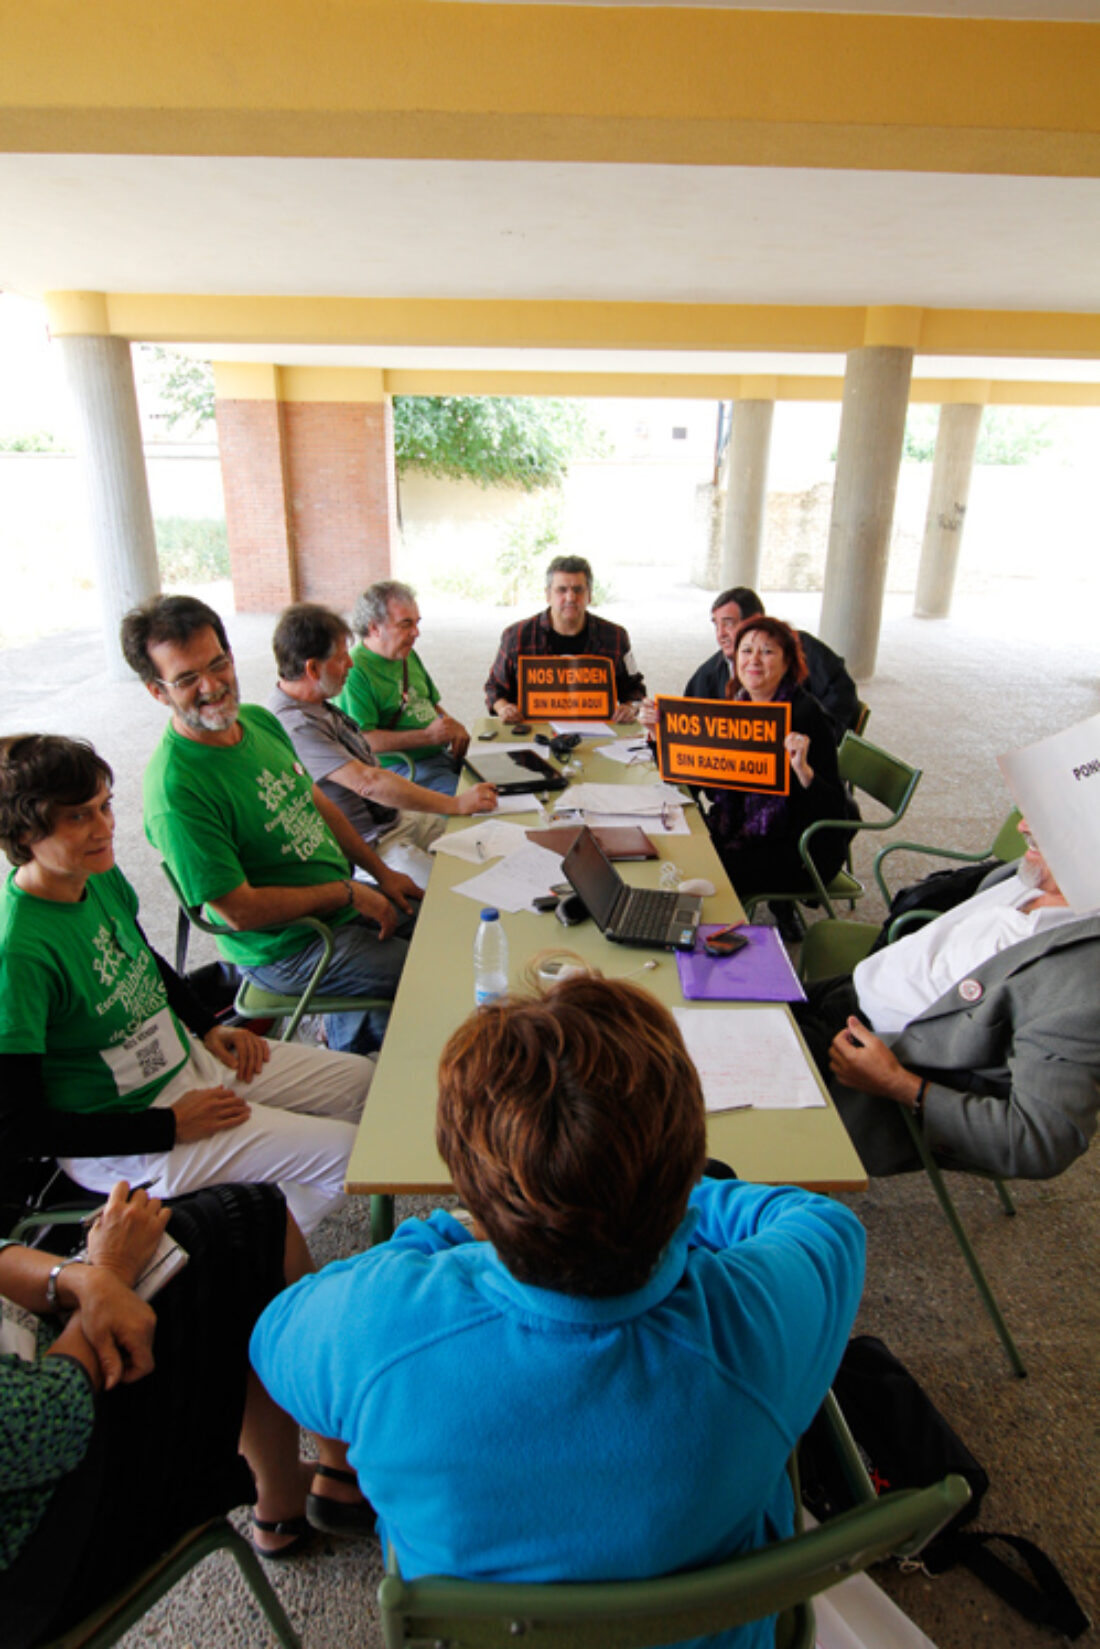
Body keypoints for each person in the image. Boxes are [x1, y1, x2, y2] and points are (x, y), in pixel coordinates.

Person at [251, 976, 864, 1647]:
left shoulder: (379, 1328)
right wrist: (691, 1189)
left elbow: (273, 1336)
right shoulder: (757, 1320)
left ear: (479, 1192)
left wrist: (443, 1231)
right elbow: (822, 1220)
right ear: (683, 1164)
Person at [0, 734, 373, 1236]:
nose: (105, 827)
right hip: (131, 1135)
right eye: (78, 817)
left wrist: (206, 1027)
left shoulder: (94, 874)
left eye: (104, 806)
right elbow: (20, 1127)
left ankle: (256, 1208)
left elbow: (144, 959)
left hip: (186, 1062)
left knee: (366, 1086)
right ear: (24, 835)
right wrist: (171, 1126)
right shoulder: (18, 951)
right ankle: (256, 1255)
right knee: (347, 1155)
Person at [0, 1179, 373, 1647]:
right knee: (247, 1221)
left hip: (43, 1358)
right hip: (51, 1525)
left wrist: (77, 1280)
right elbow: (50, 1424)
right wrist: (110, 1271)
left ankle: (287, 1497)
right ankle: (331, 1483)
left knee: (209, 1224)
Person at [120, 594, 421, 1057]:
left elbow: (317, 803)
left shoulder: (258, 721)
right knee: (434, 970)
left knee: (445, 918)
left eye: (218, 664)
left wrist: (381, 876)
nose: (212, 686)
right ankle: (353, 1047)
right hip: (290, 947)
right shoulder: (176, 790)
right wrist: (351, 892)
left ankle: (352, 1026)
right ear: (156, 691)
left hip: (339, 905)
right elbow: (241, 911)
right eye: (186, 679)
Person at [794, 818, 1100, 1180]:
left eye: (1054, 815)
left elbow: (1039, 1142)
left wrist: (899, 1085)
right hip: (852, 989)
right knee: (717, 1001)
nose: (1021, 825)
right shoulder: (1029, 876)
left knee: (717, 1076)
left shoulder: (1084, 981)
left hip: (869, 1054)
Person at [268, 603, 498, 889]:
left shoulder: (315, 703)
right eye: (341, 658)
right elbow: (369, 782)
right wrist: (455, 803)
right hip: (374, 846)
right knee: (454, 891)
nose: (350, 664)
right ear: (312, 668)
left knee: (486, 849)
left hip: (395, 821)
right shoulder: (296, 724)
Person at [680, 616, 851, 906]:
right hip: (743, 832)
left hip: (799, 849)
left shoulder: (806, 716)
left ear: (788, 663)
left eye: (767, 651)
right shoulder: (739, 708)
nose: (754, 660)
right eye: (746, 651)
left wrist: (804, 773)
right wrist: (661, 738)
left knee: (700, 871)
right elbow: (708, 784)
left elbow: (835, 809)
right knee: (680, 848)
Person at [335, 581, 470, 796]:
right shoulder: (355, 671)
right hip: (404, 767)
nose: (416, 633)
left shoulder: (405, 654)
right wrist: (427, 737)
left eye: (417, 623)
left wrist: (454, 728)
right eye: (405, 624)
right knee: (475, 806)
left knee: (510, 784)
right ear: (374, 628)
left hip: (440, 755)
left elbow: (431, 704)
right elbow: (364, 740)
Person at [677, 588, 860, 739]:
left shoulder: (805, 654)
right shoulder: (711, 671)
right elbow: (688, 724)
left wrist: (812, 742)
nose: (720, 634)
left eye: (729, 624)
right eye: (716, 625)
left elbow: (840, 699)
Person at [484, 555, 646, 725]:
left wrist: (630, 707)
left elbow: (636, 690)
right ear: (548, 595)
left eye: (578, 590)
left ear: (589, 595)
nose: (570, 598)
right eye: (561, 590)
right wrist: (504, 708)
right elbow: (494, 688)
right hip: (533, 736)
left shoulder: (616, 637)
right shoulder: (515, 637)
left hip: (599, 737)